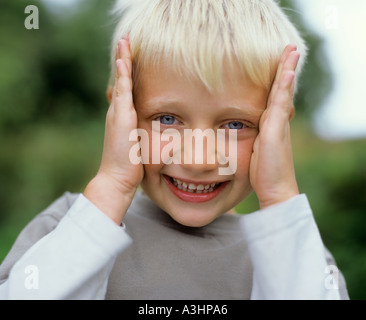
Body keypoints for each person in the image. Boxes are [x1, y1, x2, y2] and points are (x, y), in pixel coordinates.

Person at [0, 0, 349, 299]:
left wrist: (279, 199)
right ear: (122, 116)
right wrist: (111, 189)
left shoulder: (300, 256)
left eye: (234, 125)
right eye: (167, 118)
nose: (198, 160)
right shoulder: (65, 227)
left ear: (276, 130)